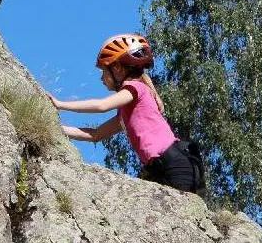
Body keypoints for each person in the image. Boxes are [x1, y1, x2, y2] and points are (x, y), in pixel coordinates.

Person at [51, 33, 202, 193]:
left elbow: (102, 105)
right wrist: (57, 128)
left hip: (173, 164)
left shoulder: (135, 88)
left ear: (117, 68)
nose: (102, 78)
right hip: (161, 168)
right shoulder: (126, 111)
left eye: (104, 71)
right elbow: (95, 135)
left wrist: (60, 105)